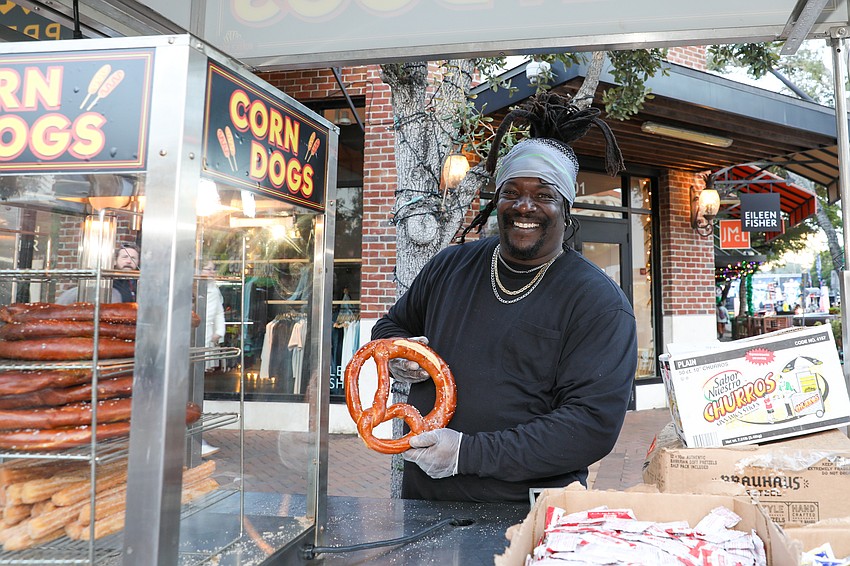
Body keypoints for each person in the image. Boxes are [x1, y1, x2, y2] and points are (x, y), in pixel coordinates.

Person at [371, 92, 638, 503]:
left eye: (543, 195)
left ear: (566, 206)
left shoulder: (597, 302)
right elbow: (389, 327)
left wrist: (466, 453)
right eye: (511, 192)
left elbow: (589, 427)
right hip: (426, 499)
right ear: (496, 199)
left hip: (527, 510)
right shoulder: (450, 266)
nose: (524, 206)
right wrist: (398, 354)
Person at [57, 243, 140, 304]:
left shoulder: (141, 284)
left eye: (133, 258)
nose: (129, 261)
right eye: (125, 257)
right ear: (115, 261)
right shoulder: (106, 282)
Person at [199, 260, 225, 458]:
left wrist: (219, 331)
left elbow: (218, 311)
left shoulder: (214, 289)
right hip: (193, 337)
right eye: (206, 268)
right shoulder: (191, 287)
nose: (210, 272)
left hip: (207, 338)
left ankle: (195, 436)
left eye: (212, 269)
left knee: (198, 384)